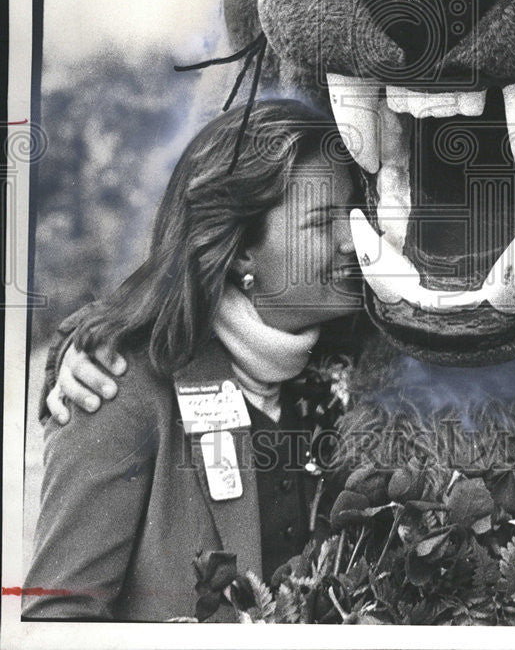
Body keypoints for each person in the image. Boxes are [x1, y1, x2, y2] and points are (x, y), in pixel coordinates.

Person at [24, 99, 362, 621]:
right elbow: (60, 620)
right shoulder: (119, 383)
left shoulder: (359, 372)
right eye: (322, 223)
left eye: (355, 213)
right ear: (242, 251)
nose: (353, 240)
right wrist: (79, 343)